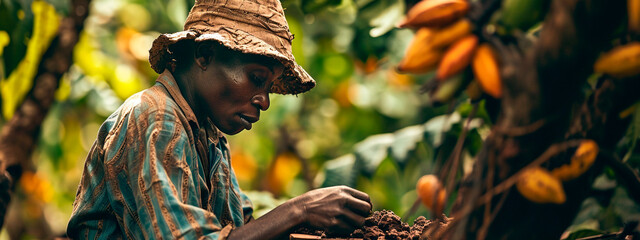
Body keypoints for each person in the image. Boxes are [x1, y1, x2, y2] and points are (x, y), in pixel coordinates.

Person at [66, 0, 372, 239]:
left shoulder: (207, 138)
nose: (264, 101)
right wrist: (299, 209)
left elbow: (243, 227)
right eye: (256, 78)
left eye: (268, 88)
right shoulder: (155, 118)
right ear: (205, 55)